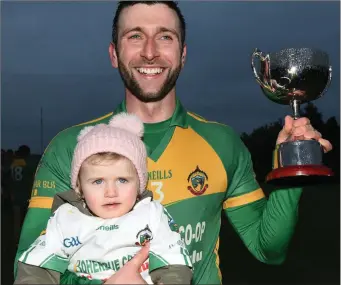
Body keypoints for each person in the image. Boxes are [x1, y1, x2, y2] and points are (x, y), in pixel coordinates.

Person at [14, 1, 333, 285]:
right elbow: (28, 270)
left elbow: (269, 250)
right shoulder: (70, 148)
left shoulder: (222, 142)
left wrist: (292, 166)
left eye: (165, 36)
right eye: (135, 36)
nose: (150, 51)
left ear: (182, 54)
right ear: (114, 54)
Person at [14, 113, 192, 284]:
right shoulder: (65, 218)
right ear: (80, 188)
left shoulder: (151, 214)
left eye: (122, 180)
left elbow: (174, 263)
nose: (111, 192)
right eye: (98, 181)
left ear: (139, 184)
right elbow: (36, 269)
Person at [8, 145, 37, 245]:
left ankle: (15, 240)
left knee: (16, 219)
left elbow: (9, 180)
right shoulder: (26, 165)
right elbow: (30, 181)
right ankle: (24, 240)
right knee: (25, 219)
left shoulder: (13, 164)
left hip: (15, 194)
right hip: (25, 194)